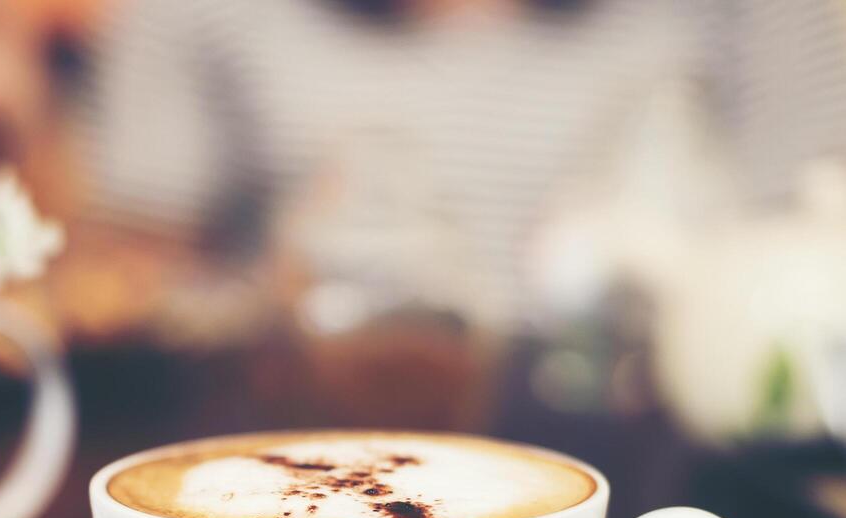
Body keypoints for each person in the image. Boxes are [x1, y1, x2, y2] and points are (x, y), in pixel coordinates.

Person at [65, 0, 846, 342]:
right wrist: (262, 299)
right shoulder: (197, 13)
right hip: (318, 408)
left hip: (659, 433)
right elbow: (130, 287)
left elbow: (812, 238)